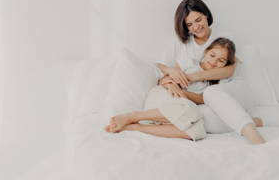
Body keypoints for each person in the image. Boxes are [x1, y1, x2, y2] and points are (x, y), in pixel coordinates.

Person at [104, 38, 263, 141]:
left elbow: (203, 99)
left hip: (182, 107)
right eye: (212, 55)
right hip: (163, 96)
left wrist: (185, 94)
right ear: (206, 52)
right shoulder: (189, 65)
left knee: (197, 132)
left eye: (221, 60)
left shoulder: (219, 83)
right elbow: (163, 78)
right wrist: (171, 85)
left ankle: (136, 127)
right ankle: (133, 116)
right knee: (189, 110)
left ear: (225, 65)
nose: (214, 62)